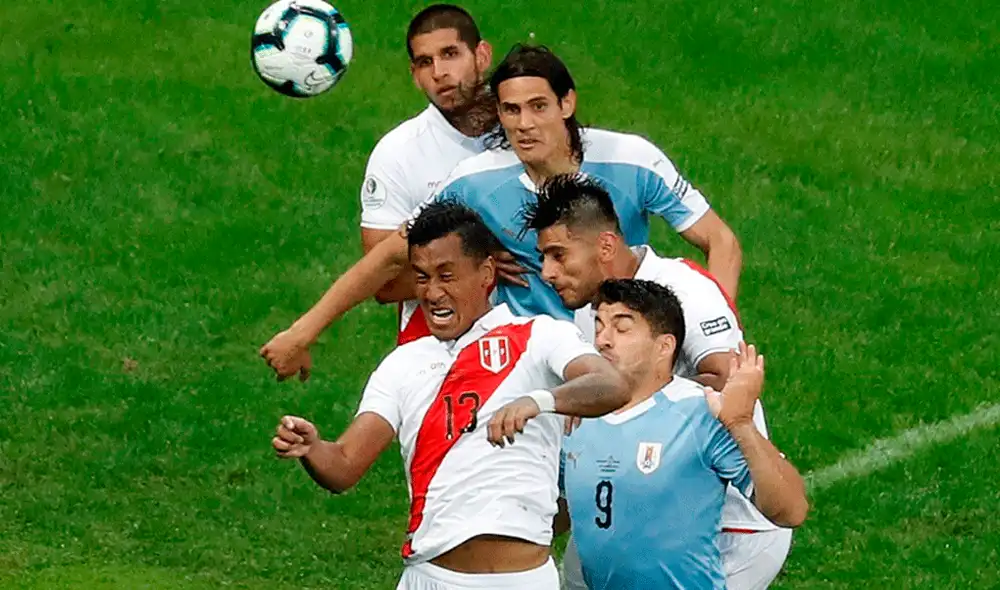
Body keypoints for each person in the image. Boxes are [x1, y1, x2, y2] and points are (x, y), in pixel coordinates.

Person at [260, 43, 741, 378]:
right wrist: (303, 332)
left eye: (538, 107)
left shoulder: (632, 161)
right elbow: (389, 258)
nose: (525, 124)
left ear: (567, 103)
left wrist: (711, 328)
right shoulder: (473, 184)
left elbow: (720, 241)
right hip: (530, 369)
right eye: (511, 111)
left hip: (625, 364)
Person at [271, 200, 630, 590]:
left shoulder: (539, 337)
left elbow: (611, 385)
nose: (433, 293)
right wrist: (311, 448)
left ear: (486, 273)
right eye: (422, 278)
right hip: (428, 578)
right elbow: (343, 467)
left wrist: (538, 401)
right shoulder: (402, 364)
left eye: (447, 275)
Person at [522, 173, 793, 589]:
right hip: (637, 500)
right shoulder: (595, 308)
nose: (547, 272)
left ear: (606, 245)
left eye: (558, 256)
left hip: (733, 522)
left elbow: (725, 376)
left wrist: (629, 409)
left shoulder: (686, 288)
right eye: (543, 257)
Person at [261, 4, 502, 381]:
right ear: (414, 75)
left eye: (450, 54)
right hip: (437, 353)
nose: (440, 73)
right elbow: (387, 280)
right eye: (425, 63)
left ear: (482, 55)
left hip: (533, 335)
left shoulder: (525, 131)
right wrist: (481, 271)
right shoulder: (399, 153)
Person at [558, 279, 809, 590]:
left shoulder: (698, 413)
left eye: (621, 329)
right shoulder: (579, 416)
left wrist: (742, 424)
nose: (603, 341)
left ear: (664, 346)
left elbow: (791, 510)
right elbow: (559, 508)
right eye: (598, 327)